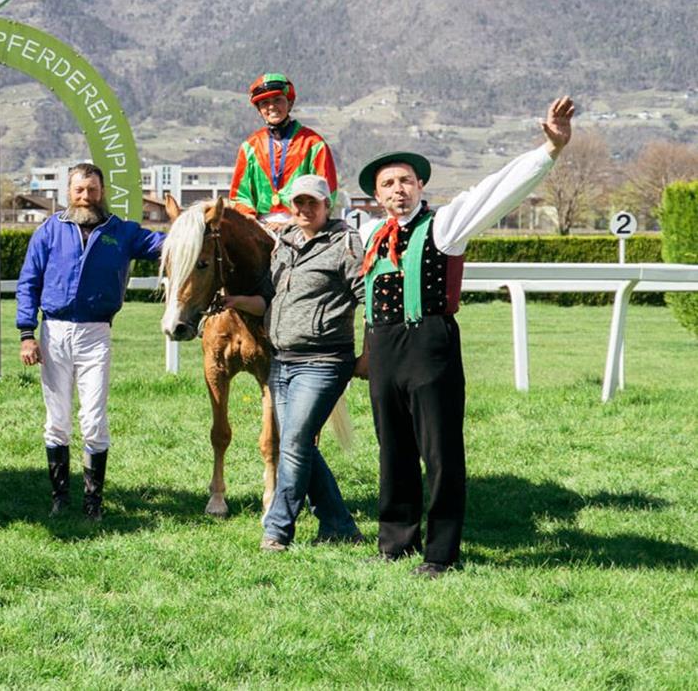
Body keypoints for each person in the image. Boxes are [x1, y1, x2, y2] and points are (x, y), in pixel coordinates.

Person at [357, 96, 576, 578]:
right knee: (392, 450)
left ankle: (441, 553)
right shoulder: (372, 237)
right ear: (377, 196)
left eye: (405, 181)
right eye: (388, 184)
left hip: (429, 346)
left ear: (420, 186)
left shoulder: (445, 226)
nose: (398, 190)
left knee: (439, 452)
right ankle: (395, 542)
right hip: (385, 352)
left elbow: (497, 191)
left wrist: (550, 149)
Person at [214, 173, 367, 551]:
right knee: (302, 446)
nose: (304, 209)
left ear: (326, 205)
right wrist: (234, 302)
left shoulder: (345, 243)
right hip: (283, 361)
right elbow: (266, 299)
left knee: (295, 441)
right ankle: (339, 525)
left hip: (325, 360)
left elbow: (368, 298)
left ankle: (278, 528)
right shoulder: (284, 244)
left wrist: (371, 355)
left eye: (312, 202)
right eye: (298, 202)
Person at [15, 163, 165, 520]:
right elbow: (28, 282)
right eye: (79, 190)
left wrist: (197, 225)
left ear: (102, 192)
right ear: (68, 192)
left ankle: (93, 502)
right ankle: (59, 498)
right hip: (54, 332)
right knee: (57, 419)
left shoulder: (122, 232)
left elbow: (167, 244)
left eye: (93, 190)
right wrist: (26, 334)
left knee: (94, 418)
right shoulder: (50, 231)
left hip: (96, 334)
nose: (86, 197)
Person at [227, 73, 339, 226]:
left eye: (277, 100)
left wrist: (294, 221)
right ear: (259, 110)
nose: (272, 107)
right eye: (265, 103)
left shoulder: (314, 144)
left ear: (290, 103)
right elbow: (239, 196)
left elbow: (327, 192)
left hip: (304, 223)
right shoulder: (249, 147)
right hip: (259, 226)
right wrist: (253, 224)